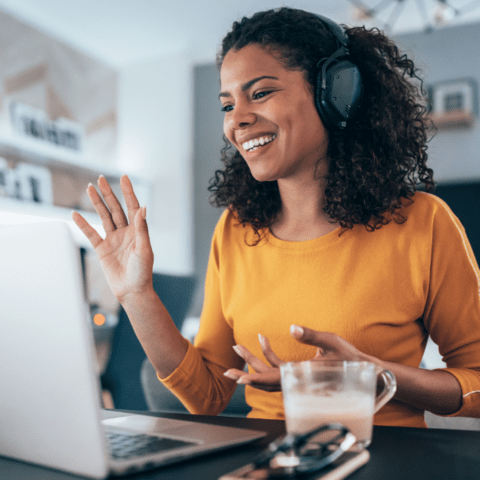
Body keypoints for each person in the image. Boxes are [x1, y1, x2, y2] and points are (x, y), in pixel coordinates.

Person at [72, 7, 480, 429]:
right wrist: (137, 297)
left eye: (260, 93)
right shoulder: (235, 229)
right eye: (227, 104)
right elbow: (208, 395)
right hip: (268, 461)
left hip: (384, 458)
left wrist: (375, 374)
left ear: (336, 92)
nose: (237, 119)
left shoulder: (424, 223)